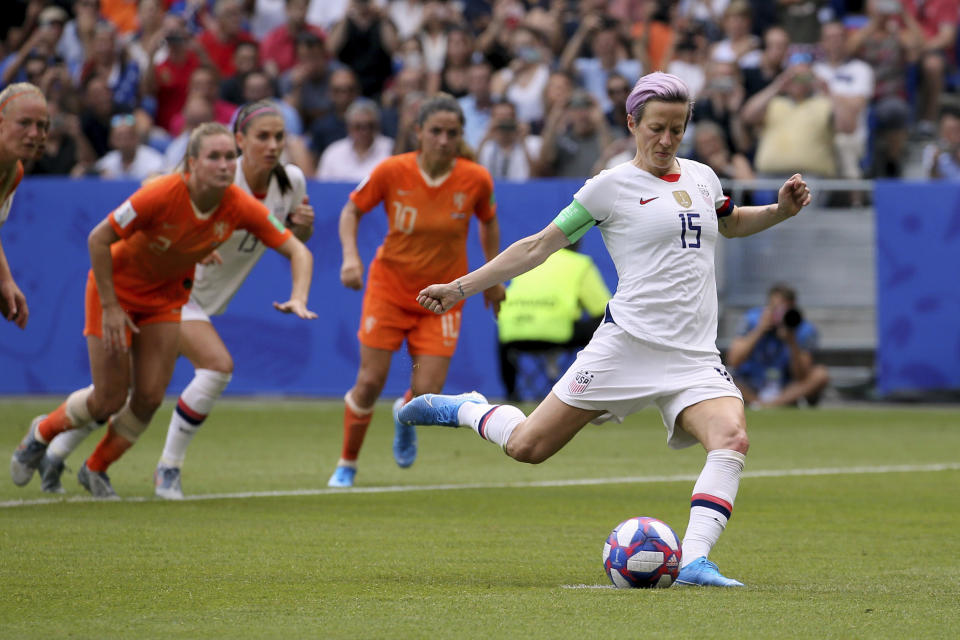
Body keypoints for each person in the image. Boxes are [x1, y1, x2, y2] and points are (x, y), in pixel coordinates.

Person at [398, 72, 813, 587]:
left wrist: (780, 211)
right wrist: (461, 286)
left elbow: (729, 222)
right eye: (656, 128)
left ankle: (694, 560)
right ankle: (466, 408)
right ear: (632, 122)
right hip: (626, 346)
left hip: (693, 356)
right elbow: (536, 246)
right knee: (529, 446)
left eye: (677, 129)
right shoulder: (608, 188)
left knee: (731, 437)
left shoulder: (703, 177)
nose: (666, 140)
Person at [10, 122, 316, 499]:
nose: (224, 165)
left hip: (166, 299)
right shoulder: (162, 193)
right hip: (116, 293)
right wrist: (109, 306)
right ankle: (40, 436)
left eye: (228, 158)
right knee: (109, 398)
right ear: (191, 164)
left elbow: (298, 250)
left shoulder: (238, 205)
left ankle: (96, 468)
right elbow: (98, 238)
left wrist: (298, 296)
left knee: (150, 397)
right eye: (214, 157)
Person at [330, 93, 504, 488]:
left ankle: (402, 414)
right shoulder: (392, 171)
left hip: (442, 297)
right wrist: (349, 258)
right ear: (419, 132)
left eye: (452, 133)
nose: (444, 140)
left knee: (428, 394)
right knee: (369, 381)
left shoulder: (475, 178)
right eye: (437, 131)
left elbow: (489, 223)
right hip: (389, 290)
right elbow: (351, 210)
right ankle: (347, 464)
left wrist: (491, 281)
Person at [497, 243, 611, 402]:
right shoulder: (579, 264)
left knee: (503, 331)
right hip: (558, 333)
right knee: (606, 325)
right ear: (577, 244)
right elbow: (601, 308)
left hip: (513, 334)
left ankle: (511, 394)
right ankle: (593, 388)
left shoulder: (530, 262)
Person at [726, 284, 830, 409]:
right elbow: (733, 360)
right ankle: (757, 402)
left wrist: (792, 342)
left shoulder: (803, 328)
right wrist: (759, 330)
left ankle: (770, 405)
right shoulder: (752, 319)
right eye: (775, 308)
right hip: (751, 381)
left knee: (820, 374)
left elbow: (801, 375)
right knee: (722, 374)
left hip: (784, 386)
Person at [0, 83, 49, 331]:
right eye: (24, 123)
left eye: (42, 126)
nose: (35, 134)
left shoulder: (13, 172)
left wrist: (6, 281)